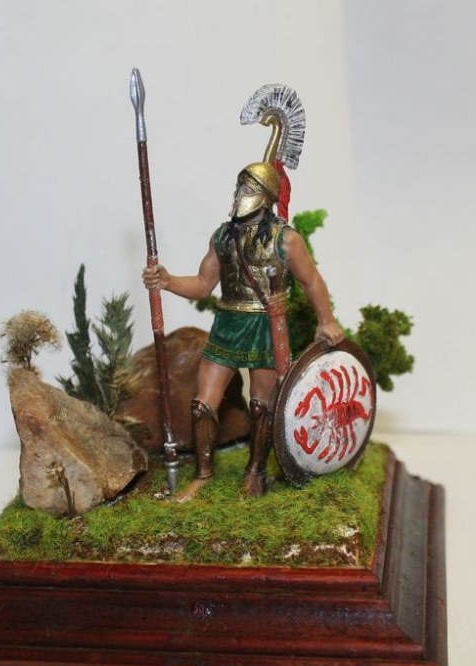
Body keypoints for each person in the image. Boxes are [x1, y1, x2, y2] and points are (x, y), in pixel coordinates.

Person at [142, 160, 344, 502]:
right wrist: (168, 280)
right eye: (239, 187)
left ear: (265, 196)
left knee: (261, 405)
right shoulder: (223, 236)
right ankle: (203, 475)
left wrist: (326, 320)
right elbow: (203, 284)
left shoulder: (286, 240)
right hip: (227, 323)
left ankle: (256, 472)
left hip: (265, 325)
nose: (240, 195)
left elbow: (311, 281)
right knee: (202, 405)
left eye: (248, 188)